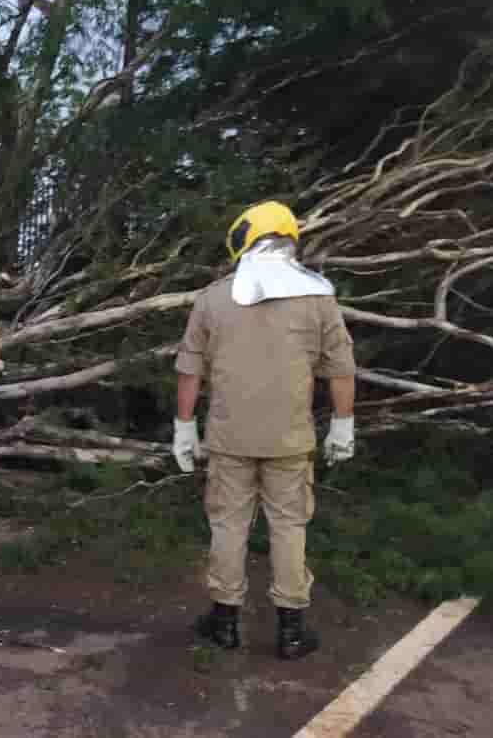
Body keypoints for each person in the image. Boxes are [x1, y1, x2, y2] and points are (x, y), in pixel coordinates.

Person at [173, 201, 357, 661]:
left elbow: (189, 369)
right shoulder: (318, 297)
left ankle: (225, 622)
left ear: (246, 239)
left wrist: (183, 426)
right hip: (290, 439)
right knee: (290, 527)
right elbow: (341, 367)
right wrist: (342, 424)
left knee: (227, 526)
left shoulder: (213, 298)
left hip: (229, 438)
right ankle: (292, 631)